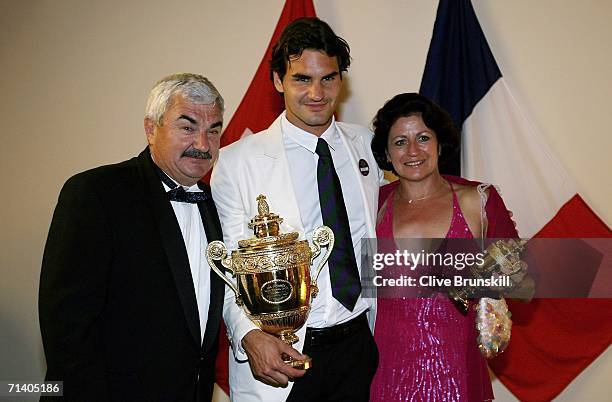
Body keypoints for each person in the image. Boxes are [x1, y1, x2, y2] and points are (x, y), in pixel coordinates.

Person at [211, 17, 384, 402]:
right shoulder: (236, 163)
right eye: (302, 79)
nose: (317, 93)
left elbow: (418, 191)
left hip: (361, 343)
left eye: (328, 78)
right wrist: (249, 335)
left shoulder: (367, 145)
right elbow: (226, 267)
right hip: (282, 356)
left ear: (342, 80)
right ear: (277, 81)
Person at [39, 73, 226, 402]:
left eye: (213, 130)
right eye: (187, 127)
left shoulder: (216, 205)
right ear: (151, 129)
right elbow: (67, 329)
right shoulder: (96, 193)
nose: (202, 144)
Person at [369, 93, 518, 401]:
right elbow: (356, 289)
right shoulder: (371, 205)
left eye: (423, 137)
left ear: (439, 142)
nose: (413, 150)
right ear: (386, 151)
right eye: (400, 141)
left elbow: (520, 276)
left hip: (458, 374)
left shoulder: (479, 201)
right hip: (385, 376)